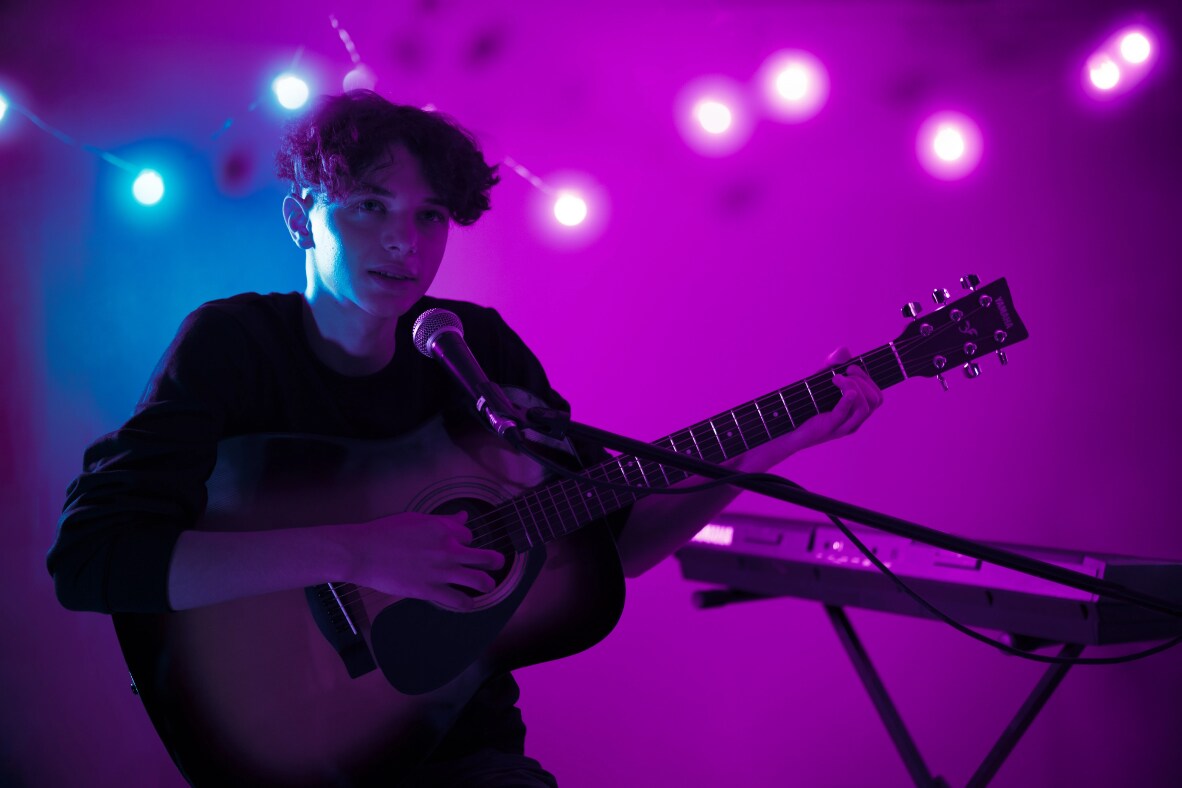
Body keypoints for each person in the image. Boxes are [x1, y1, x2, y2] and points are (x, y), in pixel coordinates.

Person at [48, 90, 882, 786]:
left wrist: (772, 447)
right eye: (369, 206)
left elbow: (617, 546)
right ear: (302, 219)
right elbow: (92, 558)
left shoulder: (472, 349)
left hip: (467, 756)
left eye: (431, 215)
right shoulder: (234, 347)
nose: (405, 242)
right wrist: (358, 552)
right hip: (280, 741)